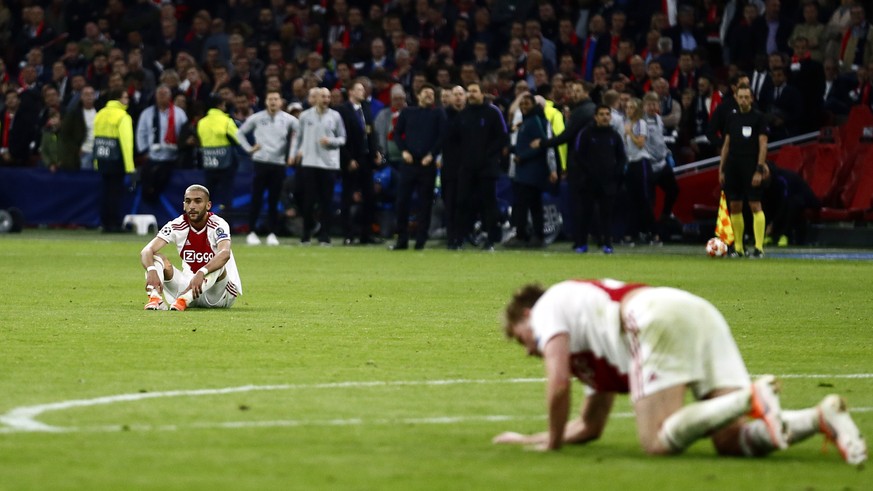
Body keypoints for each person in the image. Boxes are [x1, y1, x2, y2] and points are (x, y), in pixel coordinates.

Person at [494, 279, 867, 466]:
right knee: (730, 441)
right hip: (694, 310)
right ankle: (820, 417)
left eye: (519, 338)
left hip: (652, 315)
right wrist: (529, 439)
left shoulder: (545, 308)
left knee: (655, 442)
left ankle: (748, 398)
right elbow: (589, 426)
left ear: (526, 315)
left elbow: (558, 384)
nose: (528, 349)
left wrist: (553, 444)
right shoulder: (589, 342)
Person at [140, 184, 242, 311]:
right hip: (188, 286)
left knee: (218, 262)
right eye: (188, 201)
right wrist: (151, 270)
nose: (192, 206)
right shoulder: (176, 225)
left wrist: (201, 272)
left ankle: (184, 299)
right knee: (156, 258)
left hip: (219, 295)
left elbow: (225, 253)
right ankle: (155, 299)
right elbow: (146, 250)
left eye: (198, 201)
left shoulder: (218, 224)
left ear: (208, 205)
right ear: (183, 205)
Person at [448, 82, 508, 251]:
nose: (471, 94)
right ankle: (459, 239)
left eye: (475, 91)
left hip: (487, 168)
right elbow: (453, 139)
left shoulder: (492, 112)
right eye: (470, 91)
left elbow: (502, 137)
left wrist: (488, 155)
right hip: (467, 168)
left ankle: (490, 240)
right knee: (462, 202)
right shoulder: (463, 114)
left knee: (488, 204)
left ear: (483, 94)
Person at [237, 89, 299, 246]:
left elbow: (298, 134)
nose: (273, 102)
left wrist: (292, 154)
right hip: (260, 162)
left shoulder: (289, 120)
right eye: (270, 99)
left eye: (276, 99)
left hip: (278, 163)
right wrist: (249, 149)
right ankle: (251, 232)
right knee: (256, 198)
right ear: (266, 102)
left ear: (280, 102)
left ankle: (272, 233)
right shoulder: (257, 118)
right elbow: (239, 133)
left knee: (274, 200)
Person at [391, 83, 446, 250]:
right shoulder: (408, 112)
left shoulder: (438, 113)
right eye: (426, 93)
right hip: (408, 163)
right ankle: (402, 239)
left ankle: (421, 240)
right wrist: (404, 151)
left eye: (432, 93)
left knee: (425, 203)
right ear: (418, 95)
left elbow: (443, 136)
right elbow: (397, 134)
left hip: (426, 165)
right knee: (402, 202)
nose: (429, 95)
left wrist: (432, 154)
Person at [718, 84, 769, 258]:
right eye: (741, 97)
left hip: (750, 165)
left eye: (747, 97)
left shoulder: (759, 118)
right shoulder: (731, 118)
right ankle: (738, 247)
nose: (744, 100)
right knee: (735, 205)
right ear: (736, 98)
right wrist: (721, 169)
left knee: (755, 204)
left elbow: (763, 145)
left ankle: (759, 247)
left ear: (752, 99)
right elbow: (726, 145)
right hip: (733, 166)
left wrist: (759, 168)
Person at [294, 87, 346, 246]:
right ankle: (306, 234)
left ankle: (324, 235)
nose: (326, 99)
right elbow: (299, 137)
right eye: (323, 96)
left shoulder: (335, 116)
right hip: (309, 163)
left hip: (329, 164)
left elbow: (343, 138)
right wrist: (297, 152)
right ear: (315, 98)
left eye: (328, 97)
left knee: (326, 202)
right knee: (308, 201)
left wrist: (331, 141)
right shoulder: (305, 116)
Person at [571, 105, 627, 254]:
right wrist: (588, 172)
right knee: (586, 214)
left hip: (608, 182)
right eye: (601, 114)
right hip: (589, 182)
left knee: (607, 215)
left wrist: (616, 173)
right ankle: (582, 244)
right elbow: (578, 155)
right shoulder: (587, 133)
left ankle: (607, 244)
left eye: (607, 114)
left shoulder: (615, 135)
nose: (604, 117)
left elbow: (621, 157)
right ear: (595, 117)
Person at [505, 94, 557, 248]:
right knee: (532, 204)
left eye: (527, 103)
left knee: (525, 205)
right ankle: (534, 235)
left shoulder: (535, 121)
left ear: (534, 105)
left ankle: (524, 236)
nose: (524, 106)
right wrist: (511, 149)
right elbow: (527, 144)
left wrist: (522, 157)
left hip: (532, 171)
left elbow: (541, 144)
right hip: (525, 171)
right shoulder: (527, 121)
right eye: (522, 104)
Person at [337, 80, 382, 245]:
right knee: (347, 197)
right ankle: (348, 234)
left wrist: (375, 150)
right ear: (350, 92)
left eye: (363, 90)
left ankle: (366, 234)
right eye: (359, 89)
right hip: (352, 159)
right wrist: (348, 159)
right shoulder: (343, 110)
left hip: (366, 159)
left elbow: (371, 132)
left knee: (369, 197)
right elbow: (341, 137)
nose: (362, 92)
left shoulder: (366, 109)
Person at [136, 85, 188, 204]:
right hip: (152, 156)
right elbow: (141, 133)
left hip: (172, 157)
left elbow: (184, 134)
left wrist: (180, 150)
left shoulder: (179, 114)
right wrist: (144, 152)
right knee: (146, 182)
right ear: (155, 96)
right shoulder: (147, 113)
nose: (162, 96)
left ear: (170, 96)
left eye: (165, 94)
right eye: (160, 94)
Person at [93, 89, 135, 233]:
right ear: (118, 99)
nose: (127, 100)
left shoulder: (99, 114)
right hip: (118, 159)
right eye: (125, 97)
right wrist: (130, 167)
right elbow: (126, 143)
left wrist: (96, 161)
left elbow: (96, 139)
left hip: (103, 158)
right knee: (116, 193)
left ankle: (105, 223)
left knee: (105, 191)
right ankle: (115, 223)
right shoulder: (123, 116)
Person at [197, 95, 240, 215]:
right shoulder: (226, 120)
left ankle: (203, 224)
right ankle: (226, 224)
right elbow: (238, 138)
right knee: (226, 194)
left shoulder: (201, 123)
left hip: (209, 161)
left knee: (207, 194)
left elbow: (201, 139)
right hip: (225, 162)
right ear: (220, 105)